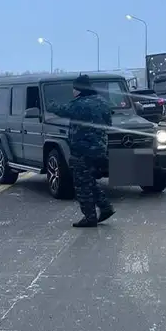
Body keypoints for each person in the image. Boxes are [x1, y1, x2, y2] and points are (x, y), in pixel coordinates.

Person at [47, 74, 115, 228]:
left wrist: (49, 104)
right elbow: (109, 123)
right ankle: (105, 207)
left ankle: (90, 217)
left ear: (79, 90)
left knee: (81, 185)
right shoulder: (103, 102)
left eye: (74, 89)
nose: (73, 92)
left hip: (82, 150)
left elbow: (62, 110)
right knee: (89, 180)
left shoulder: (79, 104)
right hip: (99, 149)